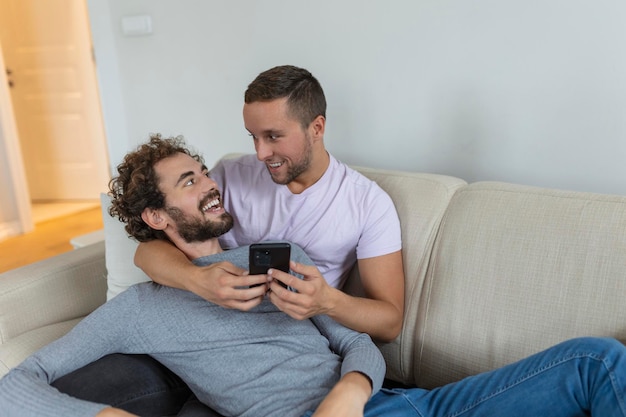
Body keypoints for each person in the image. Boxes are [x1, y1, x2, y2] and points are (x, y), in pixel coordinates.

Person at [3, 136, 626, 417]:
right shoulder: (141, 309)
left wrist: (352, 389)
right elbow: (16, 385)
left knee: (596, 362)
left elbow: (358, 338)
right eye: (189, 181)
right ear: (157, 216)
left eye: (203, 171)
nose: (210, 183)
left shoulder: (275, 255)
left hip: (397, 403)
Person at [135, 65, 405, 342]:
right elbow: (146, 252)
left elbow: (390, 323)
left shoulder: (368, 203)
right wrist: (196, 279)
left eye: (273, 136)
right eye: (253, 136)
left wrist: (328, 301)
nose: (261, 153)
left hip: (294, 343)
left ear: (317, 128)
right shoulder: (229, 176)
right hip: (208, 331)